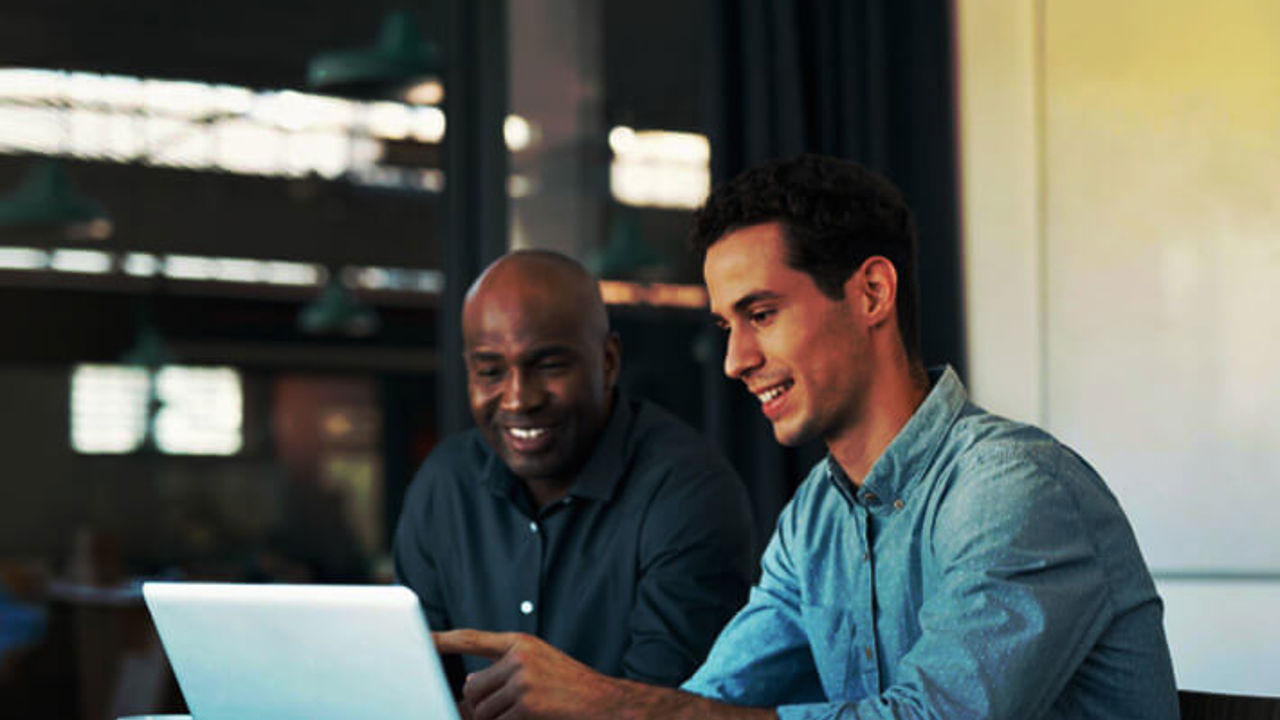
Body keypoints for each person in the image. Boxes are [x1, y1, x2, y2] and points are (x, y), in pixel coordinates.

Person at [433, 155, 1179, 720]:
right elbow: (712, 702)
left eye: (761, 314)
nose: (735, 360)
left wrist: (612, 704)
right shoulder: (817, 518)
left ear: (871, 294)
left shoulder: (1015, 491)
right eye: (726, 326)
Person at [393, 250, 754, 692]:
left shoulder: (688, 490)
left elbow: (665, 704)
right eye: (490, 371)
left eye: (548, 365)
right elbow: (415, 684)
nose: (518, 399)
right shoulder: (444, 485)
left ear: (608, 362)